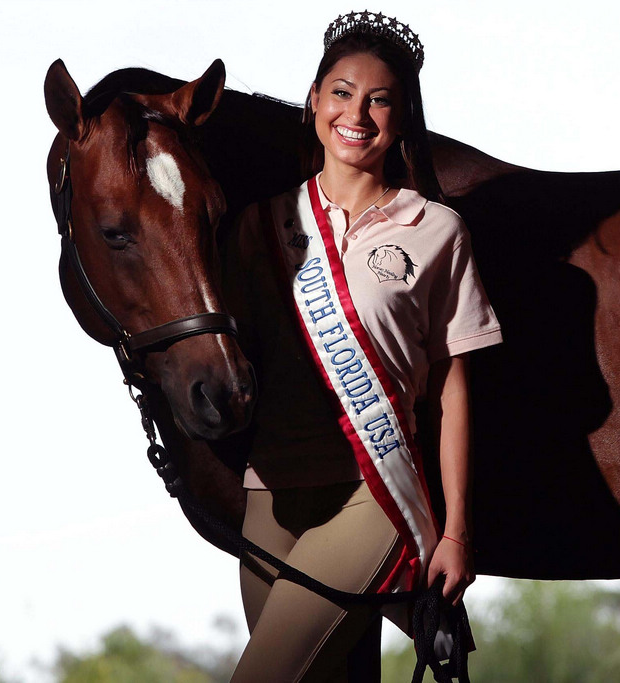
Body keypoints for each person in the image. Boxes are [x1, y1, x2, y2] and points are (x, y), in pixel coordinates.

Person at [223, 10, 502, 682]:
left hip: (371, 496)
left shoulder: (437, 229)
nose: (358, 113)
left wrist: (457, 531)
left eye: (381, 100)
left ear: (402, 119)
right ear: (314, 100)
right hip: (270, 497)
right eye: (342, 92)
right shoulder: (259, 225)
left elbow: (452, 390)